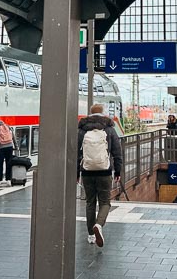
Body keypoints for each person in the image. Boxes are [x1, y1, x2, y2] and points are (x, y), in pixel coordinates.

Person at [78, 103, 123, 247]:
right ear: (102, 113)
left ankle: (91, 235)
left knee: (90, 202)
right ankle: (99, 224)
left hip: (87, 172)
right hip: (104, 171)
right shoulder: (109, 129)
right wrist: (118, 171)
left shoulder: (82, 130)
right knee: (105, 202)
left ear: (90, 113)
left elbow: (76, 153)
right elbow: (117, 152)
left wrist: (76, 173)